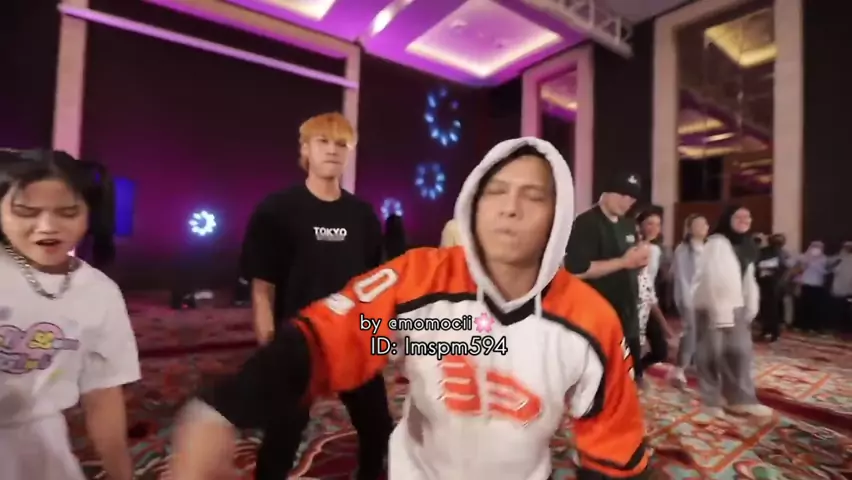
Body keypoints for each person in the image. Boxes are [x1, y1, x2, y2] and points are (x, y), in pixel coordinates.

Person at [169, 138, 651, 480]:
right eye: (496, 191)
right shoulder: (419, 276)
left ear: (558, 217)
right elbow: (329, 335)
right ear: (473, 205)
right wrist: (221, 409)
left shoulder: (591, 319)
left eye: (533, 196)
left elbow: (614, 444)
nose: (510, 208)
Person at [238, 112, 392, 480]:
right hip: (297, 344)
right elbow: (262, 289)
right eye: (323, 141)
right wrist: (269, 349)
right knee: (282, 437)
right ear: (305, 149)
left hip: (352, 340)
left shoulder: (362, 216)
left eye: (342, 144)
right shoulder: (277, 210)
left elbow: (374, 285)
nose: (333, 150)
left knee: (378, 428)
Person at [0, 149, 139, 479]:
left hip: (40, 444)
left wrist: (121, 473)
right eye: (25, 212)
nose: (47, 227)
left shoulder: (99, 292)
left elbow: (103, 394)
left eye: (68, 212)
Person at [564, 173, 650, 384]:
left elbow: (630, 261)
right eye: (622, 195)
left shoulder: (628, 224)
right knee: (600, 375)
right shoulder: (586, 223)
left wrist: (638, 262)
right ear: (605, 193)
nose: (627, 202)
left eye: (632, 198)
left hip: (627, 310)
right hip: (598, 313)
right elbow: (576, 270)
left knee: (628, 373)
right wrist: (623, 262)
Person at [692, 205, 772, 418]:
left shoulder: (747, 245)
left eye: (748, 216)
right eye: (739, 216)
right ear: (728, 219)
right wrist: (719, 311)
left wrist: (750, 305)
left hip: (736, 305)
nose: (744, 220)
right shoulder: (716, 243)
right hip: (711, 305)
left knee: (740, 352)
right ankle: (711, 400)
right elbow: (713, 278)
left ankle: (741, 399)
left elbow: (748, 277)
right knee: (711, 354)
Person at [667, 213, 709, 387]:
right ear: (690, 229)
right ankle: (679, 369)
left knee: (704, 333)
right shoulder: (684, 249)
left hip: (706, 298)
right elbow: (682, 278)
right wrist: (687, 301)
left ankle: (697, 364)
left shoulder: (708, 247)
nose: (703, 227)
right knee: (690, 333)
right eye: (698, 224)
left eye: (705, 224)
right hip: (689, 297)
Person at [634, 209, 671, 380]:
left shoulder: (655, 250)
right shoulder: (633, 247)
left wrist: (661, 318)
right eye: (650, 223)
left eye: (658, 224)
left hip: (648, 301)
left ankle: (636, 370)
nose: (654, 228)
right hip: (633, 302)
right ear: (640, 225)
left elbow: (649, 282)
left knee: (660, 350)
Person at [755, 233, 789, 342]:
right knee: (765, 308)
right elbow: (757, 264)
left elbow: (783, 268)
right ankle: (766, 330)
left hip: (775, 285)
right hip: (765, 283)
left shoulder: (782, 253)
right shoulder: (764, 252)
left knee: (774, 310)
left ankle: (774, 332)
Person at [793, 241, 830, 333]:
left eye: (819, 247)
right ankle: (801, 325)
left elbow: (825, 271)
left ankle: (813, 326)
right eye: (815, 247)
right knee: (803, 306)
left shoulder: (824, 259)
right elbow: (796, 270)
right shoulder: (803, 257)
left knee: (815, 307)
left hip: (817, 285)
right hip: (805, 284)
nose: (816, 249)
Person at [830, 241, 852, 333]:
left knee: (847, 311)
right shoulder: (839, 258)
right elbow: (830, 267)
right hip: (839, 290)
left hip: (848, 291)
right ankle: (840, 330)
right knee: (839, 310)